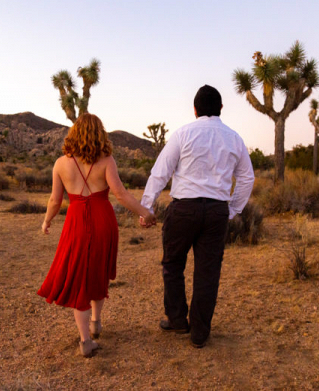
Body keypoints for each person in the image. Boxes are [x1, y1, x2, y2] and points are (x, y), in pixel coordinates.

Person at [140, 85, 254, 348]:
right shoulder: (234, 138)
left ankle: (178, 320)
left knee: (173, 264)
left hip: (184, 209)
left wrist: (147, 207)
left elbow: (160, 172)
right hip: (216, 211)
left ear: (195, 109)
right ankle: (200, 333)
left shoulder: (183, 134)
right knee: (208, 272)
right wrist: (233, 209)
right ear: (221, 109)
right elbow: (247, 177)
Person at [38, 113, 156, 358]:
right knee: (98, 271)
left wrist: (47, 220)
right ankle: (96, 321)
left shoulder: (60, 163)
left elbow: (55, 200)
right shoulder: (106, 160)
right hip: (104, 220)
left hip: (76, 222)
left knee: (80, 276)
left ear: (74, 134)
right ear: (99, 134)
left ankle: (85, 339)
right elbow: (121, 195)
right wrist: (146, 213)